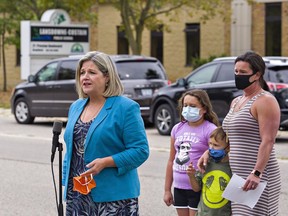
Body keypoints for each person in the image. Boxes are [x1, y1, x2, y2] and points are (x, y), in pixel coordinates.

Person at [62, 51, 149, 215]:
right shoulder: (76, 107)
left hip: (113, 197)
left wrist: (106, 162)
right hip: (78, 195)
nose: (85, 77)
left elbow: (140, 151)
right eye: (82, 73)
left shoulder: (126, 108)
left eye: (92, 72)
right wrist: (65, 181)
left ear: (107, 77)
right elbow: (71, 149)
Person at [197, 51, 281, 215]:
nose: (238, 75)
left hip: (258, 177)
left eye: (243, 72)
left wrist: (257, 172)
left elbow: (268, 141)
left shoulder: (265, 101)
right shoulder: (236, 101)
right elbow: (228, 139)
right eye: (236, 71)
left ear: (257, 75)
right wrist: (209, 152)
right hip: (237, 177)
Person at [163, 89, 220, 216]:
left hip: (198, 186)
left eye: (193, 106)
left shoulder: (210, 129)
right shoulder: (177, 128)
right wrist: (167, 189)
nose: (188, 109)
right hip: (179, 187)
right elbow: (171, 160)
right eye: (186, 105)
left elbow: (218, 154)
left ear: (204, 109)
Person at [187, 126, 232, 216]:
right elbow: (196, 188)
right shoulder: (206, 162)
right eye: (210, 144)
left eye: (216, 145)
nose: (211, 148)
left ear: (228, 148)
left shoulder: (232, 166)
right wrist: (191, 176)